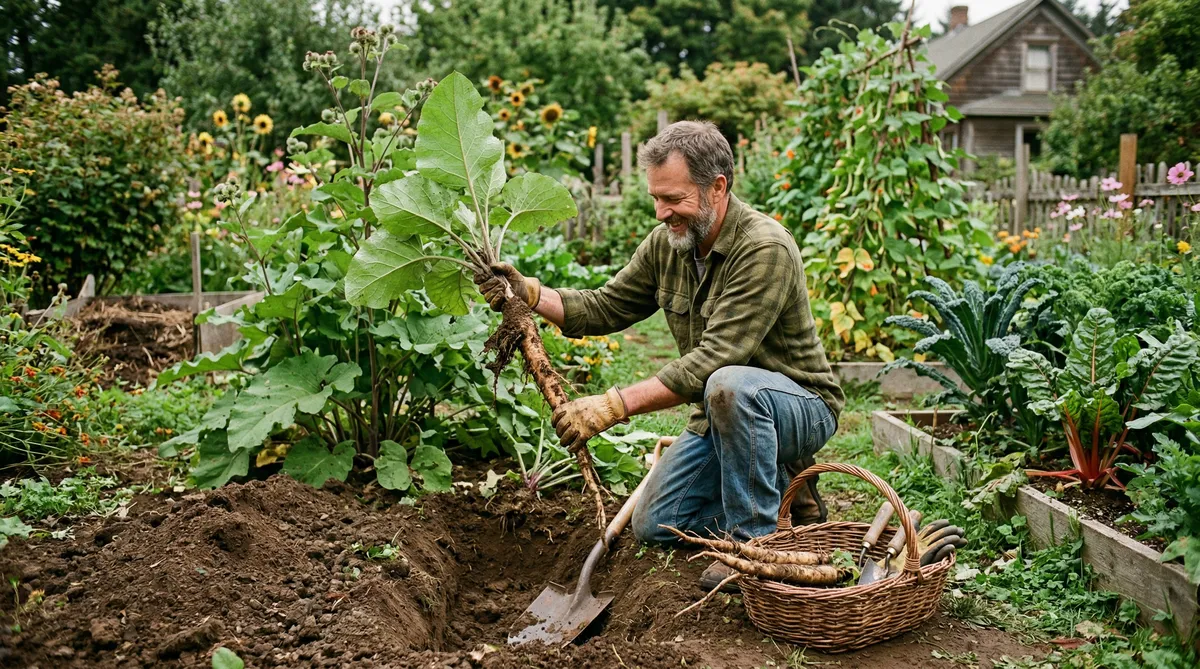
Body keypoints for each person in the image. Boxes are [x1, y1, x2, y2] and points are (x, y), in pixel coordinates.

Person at [475, 120, 843, 590]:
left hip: (799, 407)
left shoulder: (764, 248)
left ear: (718, 187)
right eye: (655, 197)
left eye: (673, 199)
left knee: (729, 383)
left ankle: (757, 542)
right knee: (657, 522)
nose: (660, 212)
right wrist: (529, 293)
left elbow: (714, 360)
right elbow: (607, 305)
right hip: (723, 412)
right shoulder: (669, 245)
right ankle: (784, 494)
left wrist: (613, 405)